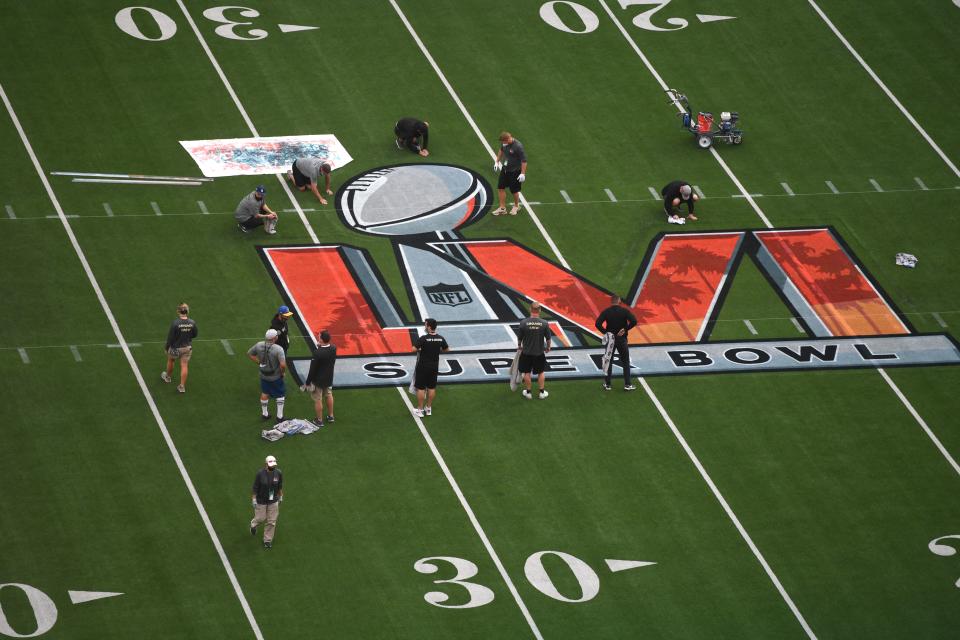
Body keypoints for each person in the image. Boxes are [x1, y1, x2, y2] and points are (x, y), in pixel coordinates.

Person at [595, 294, 638, 391]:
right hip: (621, 339)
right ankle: (627, 384)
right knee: (625, 361)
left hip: (611, 340)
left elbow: (597, 324)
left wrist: (606, 333)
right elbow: (634, 321)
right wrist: (625, 329)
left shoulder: (606, 312)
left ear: (611, 301)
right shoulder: (624, 311)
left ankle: (608, 384)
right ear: (619, 301)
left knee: (608, 361)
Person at [247, 329, 287, 423]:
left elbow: (249, 354)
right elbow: (283, 365)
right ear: (274, 338)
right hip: (275, 376)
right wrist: (282, 373)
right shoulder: (278, 349)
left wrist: (259, 362)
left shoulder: (259, 345)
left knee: (265, 393)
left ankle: (265, 414)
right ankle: (279, 417)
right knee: (280, 394)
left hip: (263, 374)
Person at [412, 318, 449, 417]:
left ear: (428, 327)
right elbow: (447, 349)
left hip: (423, 366)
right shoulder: (440, 338)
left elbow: (413, 349)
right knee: (432, 388)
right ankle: (428, 409)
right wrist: (436, 350)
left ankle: (419, 410)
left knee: (421, 388)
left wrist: (421, 349)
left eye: (425, 324)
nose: (425, 326)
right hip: (434, 366)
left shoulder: (424, 338)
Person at [300, 329, 337, 427]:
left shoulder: (317, 353)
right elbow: (326, 349)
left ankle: (319, 421)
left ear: (321, 340)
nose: (318, 337)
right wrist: (320, 346)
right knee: (329, 395)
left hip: (318, 380)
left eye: (319, 336)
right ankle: (331, 416)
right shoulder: (333, 348)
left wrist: (307, 382)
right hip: (329, 378)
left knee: (318, 399)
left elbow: (312, 370)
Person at [161, 303, 197, 393]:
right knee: (184, 365)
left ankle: (168, 377)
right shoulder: (192, 322)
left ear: (178, 311)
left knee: (171, 360)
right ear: (187, 311)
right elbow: (195, 334)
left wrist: (166, 348)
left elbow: (170, 337)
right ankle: (182, 386)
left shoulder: (175, 323)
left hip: (175, 348)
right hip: (187, 348)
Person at [517, 302, 550, 399]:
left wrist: (519, 345)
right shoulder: (544, 323)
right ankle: (542, 393)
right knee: (541, 372)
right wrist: (548, 347)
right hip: (539, 353)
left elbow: (520, 338)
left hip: (526, 353)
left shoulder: (523, 323)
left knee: (526, 372)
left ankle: (528, 393)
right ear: (539, 310)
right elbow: (548, 338)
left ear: (530, 309)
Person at [250, 454, 283, 549]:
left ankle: (267, 540)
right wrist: (254, 499)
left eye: (274, 465)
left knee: (272, 521)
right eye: (271, 465)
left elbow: (280, 486)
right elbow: (255, 487)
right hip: (261, 500)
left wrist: (281, 496)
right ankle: (253, 524)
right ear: (266, 464)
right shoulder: (260, 474)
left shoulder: (278, 473)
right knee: (260, 518)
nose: (273, 466)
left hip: (273, 500)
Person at [492, 131, 527, 216]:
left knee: (514, 190)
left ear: (508, 139)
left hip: (515, 171)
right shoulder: (505, 144)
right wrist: (497, 162)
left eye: (503, 141)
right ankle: (502, 208)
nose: (502, 143)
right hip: (505, 169)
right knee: (500, 187)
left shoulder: (518, 146)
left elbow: (524, 161)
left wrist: (522, 173)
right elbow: (501, 150)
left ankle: (516, 206)